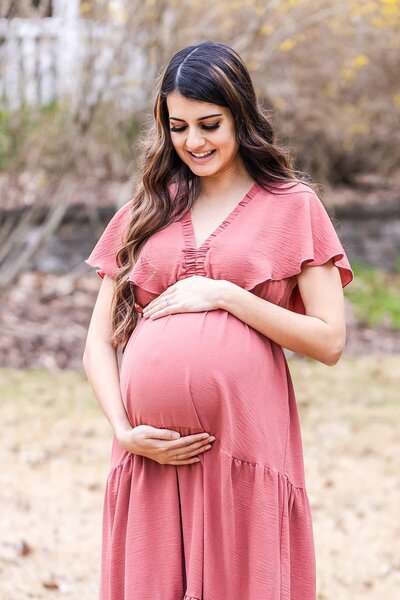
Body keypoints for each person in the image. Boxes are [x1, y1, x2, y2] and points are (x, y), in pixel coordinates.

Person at [83, 40, 353, 600]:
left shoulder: (292, 206)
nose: (194, 142)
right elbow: (97, 345)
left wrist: (228, 296)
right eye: (178, 127)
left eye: (210, 123)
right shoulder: (146, 209)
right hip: (148, 457)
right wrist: (124, 433)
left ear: (241, 116)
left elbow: (329, 340)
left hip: (241, 453)